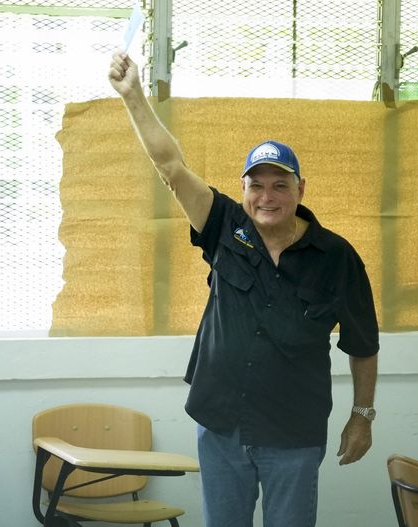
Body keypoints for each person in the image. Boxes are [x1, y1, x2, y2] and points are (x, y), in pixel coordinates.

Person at [108, 51, 379, 527]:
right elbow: (171, 167)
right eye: (257, 185)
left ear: (300, 190)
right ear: (244, 189)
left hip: (294, 434)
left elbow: (363, 345)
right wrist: (133, 95)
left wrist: (362, 416)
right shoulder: (224, 226)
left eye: (280, 184)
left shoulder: (337, 258)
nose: (267, 196)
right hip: (222, 427)